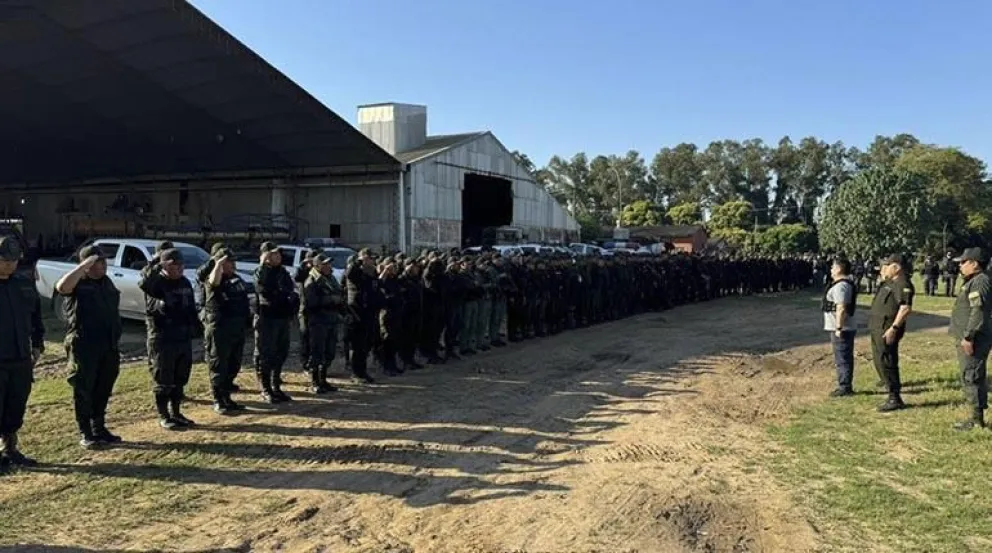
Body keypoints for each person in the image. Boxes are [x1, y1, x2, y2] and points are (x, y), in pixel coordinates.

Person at [55, 245, 123, 448]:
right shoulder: (78, 283)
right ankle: (85, 432)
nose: (102, 265)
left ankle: (99, 428)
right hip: (85, 345)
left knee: (103, 387)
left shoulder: (106, 282)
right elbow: (62, 287)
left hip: (108, 344)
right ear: (86, 265)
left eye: (103, 262)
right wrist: (83, 266)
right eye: (97, 262)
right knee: (84, 389)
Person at [139, 248, 199, 430]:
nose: (179, 268)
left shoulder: (185, 282)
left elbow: (190, 308)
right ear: (165, 266)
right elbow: (145, 285)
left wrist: (195, 327)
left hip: (182, 337)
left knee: (180, 378)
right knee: (163, 379)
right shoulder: (156, 284)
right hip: (163, 339)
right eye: (174, 265)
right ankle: (163, 415)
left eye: (181, 265)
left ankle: (176, 412)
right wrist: (156, 263)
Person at [0, 237, 44, 469]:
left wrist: (37, 345)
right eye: (5, 260)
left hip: (20, 357)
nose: (10, 264)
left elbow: (36, 317)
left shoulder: (23, 284)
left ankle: (10, 450)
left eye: (14, 260)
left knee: (16, 406)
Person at [202, 247, 250, 415]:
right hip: (220, 329)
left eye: (232, 261)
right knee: (218, 365)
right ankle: (218, 399)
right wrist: (218, 265)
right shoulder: (214, 279)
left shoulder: (236, 279)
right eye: (228, 262)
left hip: (236, 328)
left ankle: (227, 397)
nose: (232, 265)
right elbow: (213, 282)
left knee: (233, 364)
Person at [949, 247, 991, 430]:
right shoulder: (972, 281)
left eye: (964, 262)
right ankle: (975, 415)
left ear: (974, 263)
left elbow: (978, 311)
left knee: (972, 375)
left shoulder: (980, 282)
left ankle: (976, 419)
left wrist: (968, 336)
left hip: (974, 338)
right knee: (970, 374)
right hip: (969, 336)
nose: (960, 265)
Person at [868, 254, 914, 412]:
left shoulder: (902, 284)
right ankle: (888, 385)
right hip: (878, 327)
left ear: (897, 267)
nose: (883, 268)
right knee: (880, 358)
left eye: (887, 265)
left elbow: (905, 308)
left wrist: (894, 328)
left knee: (887, 361)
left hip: (888, 328)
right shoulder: (889, 282)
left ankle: (895, 397)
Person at [253, 242, 298, 403]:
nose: (277, 256)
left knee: (281, 352)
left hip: (282, 317)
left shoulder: (282, 272)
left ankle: (275, 386)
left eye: (278, 254)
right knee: (266, 354)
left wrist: (285, 296)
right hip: (267, 318)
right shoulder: (260, 272)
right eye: (273, 254)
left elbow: (289, 291)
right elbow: (264, 291)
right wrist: (281, 295)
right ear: (266, 257)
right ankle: (265, 389)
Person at [300, 253, 344, 393]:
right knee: (317, 352)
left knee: (328, 351)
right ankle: (315, 381)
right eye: (325, 264)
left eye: (329, 263)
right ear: (317, 265)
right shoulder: (312, 281)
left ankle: (323, 380)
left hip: (331, 319)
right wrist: (330, 300)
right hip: (318, 321)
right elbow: (311, 303)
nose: (328, 266)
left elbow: (339, 293)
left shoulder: (330, 279)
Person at [823, 257, 858, 397]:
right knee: (842, 356)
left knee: (842, 358)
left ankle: (844, 386)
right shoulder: (840, 284)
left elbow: (841, 307)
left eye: (832, 267)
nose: (831, 270)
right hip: (842, 328)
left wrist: (839, 327)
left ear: (838, 269)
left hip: (843, 329)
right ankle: (844, 384)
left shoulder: (841, 286)